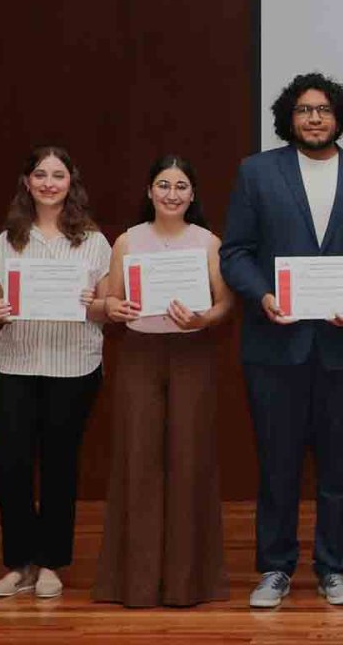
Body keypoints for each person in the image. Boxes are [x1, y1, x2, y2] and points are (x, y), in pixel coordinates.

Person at [221, 72, 343, 609]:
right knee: (277, 466)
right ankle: (275, 568)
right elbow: (236, 252)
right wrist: (262, 296)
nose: (315, 118)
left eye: (323, 109)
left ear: (339, 117)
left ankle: (334, 567)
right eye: (304, 110)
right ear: (289, 118)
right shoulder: (257, 173)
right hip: (275, 347)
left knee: (340, 469)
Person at [92, 155, 233, 608]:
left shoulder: (208, 242)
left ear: (193, 195)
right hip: (139, 354)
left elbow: (224, 305)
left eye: (181, 186)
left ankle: (187, 584)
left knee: (190, 460)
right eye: (164, 184)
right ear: (149, 191)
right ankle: (135, 583)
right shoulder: (127, 241)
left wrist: (203, 318)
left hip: (192, 355)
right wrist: (113, 308)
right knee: (138, 459)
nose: (172, 193)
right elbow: (110, 302)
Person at [0, 146, 111, 600]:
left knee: (60, 466)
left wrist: (94, 305)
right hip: (16, 363)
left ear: (70, 182)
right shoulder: (7, 240)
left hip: (73, 366)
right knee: (13, 466)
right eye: (40, 175)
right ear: (27, 182)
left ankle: (52, 564)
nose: (48, 183)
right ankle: (20, 564)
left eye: (58, 175)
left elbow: (108, 307)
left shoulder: (94, 242)